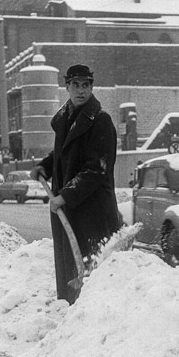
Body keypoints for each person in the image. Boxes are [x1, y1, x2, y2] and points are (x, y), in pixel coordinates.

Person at [30, 64, 121, 304]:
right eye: (76, 85)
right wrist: (46, 166)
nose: (81, 90)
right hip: (71, 208)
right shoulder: (67, 119)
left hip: (93, 211)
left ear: (91, 87)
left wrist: (66, 196)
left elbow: (96, 169)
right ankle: (72, 312)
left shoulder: (100, 121)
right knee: (72, 265)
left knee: (93, 271)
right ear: (66, 86)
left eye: (86, 85)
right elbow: (64, 153)